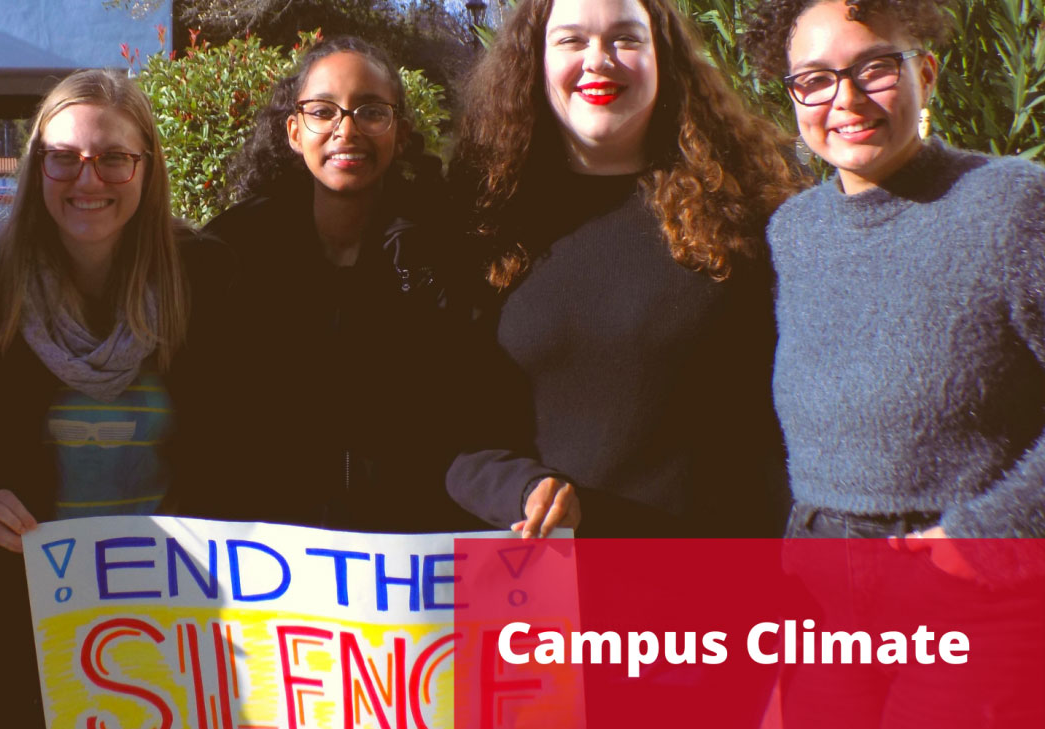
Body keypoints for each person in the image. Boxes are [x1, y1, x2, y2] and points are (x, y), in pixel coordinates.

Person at [742, 2, 1045, 725]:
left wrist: (985, 537)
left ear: (926, 73)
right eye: (813, 80)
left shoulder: (1010, 204)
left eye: (874, 67)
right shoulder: (793, 232)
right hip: (819, 585)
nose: (844, 100)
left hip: (971, 591)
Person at [445, 0, 809, 539]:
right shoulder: (479, 222)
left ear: (663, 57)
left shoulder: (750, 212)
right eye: (571, 40)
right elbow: (447, 429)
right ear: (535, 60)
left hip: (719, 588)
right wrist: (518, 489)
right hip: (547, 593)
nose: (599, 60)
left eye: (626, 39)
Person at [0, 68, 225, 729]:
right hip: (29, 620)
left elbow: (247, 438)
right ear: (35, 167)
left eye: (113, 158)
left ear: (147, 167)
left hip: (178, 614)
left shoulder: (209, 278)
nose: (89, 179)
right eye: (64, 159)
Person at [169, 36, 487, 533]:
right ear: (294, 131)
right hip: (264, 564)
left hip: (402, 563)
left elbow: (465, 422)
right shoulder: (230, 254)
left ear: (400, 132)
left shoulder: (441, 260)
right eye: (323, 111)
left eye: (371, 111)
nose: (347, 129)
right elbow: (197, 420)